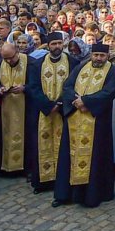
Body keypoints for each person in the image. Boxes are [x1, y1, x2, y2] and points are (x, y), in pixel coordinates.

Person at [53, 42, 115, 209]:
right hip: (75, 120)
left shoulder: (112, 71)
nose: (98, 58)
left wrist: (86, 101)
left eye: (102, 56)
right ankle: (66, 194)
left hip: (97, 122)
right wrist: (76, 101)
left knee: (96, 158)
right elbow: (67, 85)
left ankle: (92, 195)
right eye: (96, 55)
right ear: (91, 55)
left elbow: (109, 92)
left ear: (107, 56)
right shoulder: (81, 67)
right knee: (69, 157)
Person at [26, 31, 70, 193]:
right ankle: (44, 182)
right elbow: (33, 87)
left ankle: (62, 181)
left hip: (63, 112)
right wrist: (47, 105)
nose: (57, 47)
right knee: (42, 145)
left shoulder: (72, 62)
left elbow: (72, 86)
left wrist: (59, 104)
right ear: (48, 46)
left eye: (59, 43)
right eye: (54, 44)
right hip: (43, 113)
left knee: (63, 146)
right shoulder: (38, 65)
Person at [0, 42, 30, 178]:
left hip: (26, 108)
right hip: (6, 109)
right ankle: (7, 168)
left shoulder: (30, 63)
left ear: (17, 51)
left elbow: (36, 84)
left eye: (11, 58)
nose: (9, 61)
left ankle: (24, 169)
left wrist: (24, 88)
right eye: (5, 59)